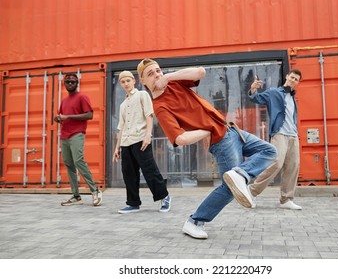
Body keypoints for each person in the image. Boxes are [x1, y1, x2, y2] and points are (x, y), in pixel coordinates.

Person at [137, 58, 278, 239]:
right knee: (229, 189)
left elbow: (201, 72)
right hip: (221, 140)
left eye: (158, 71)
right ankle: (194, 222)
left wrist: (169, 77)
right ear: (143, 81)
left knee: (270, 151)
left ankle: (241, 174)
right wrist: (207, 129)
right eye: (150, 74)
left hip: (232, 130)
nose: (157, 75)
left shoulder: (174, 83)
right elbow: (180, 138)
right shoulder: (160, 107)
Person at [113, 70, 171, 214]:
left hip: (140, 139)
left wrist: (148, 135)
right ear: (121, 84)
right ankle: (133, 203)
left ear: (134, 81)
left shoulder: (142, 95)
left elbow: (149, 116)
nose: (126, 83)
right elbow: (121, 127)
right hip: (126, 142)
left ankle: (164, 196)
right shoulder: (122, 105)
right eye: (123, 81)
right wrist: (117, 147)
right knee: (129, 173)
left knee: (149, 170)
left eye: (128, 80)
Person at [248, 69, 303, 210]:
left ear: (298, 83)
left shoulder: (293, 98)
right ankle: (252, 191)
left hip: (293, 136)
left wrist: (296, 133)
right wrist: (253, 89)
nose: (293, 80)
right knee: (276, 164)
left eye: (296, 79)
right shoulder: (274, 93)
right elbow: (256, 98)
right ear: (287, 77)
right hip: (279, 134)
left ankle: (286, 199)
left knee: (293, 166)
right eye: (292, 77)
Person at [55, 73, 103, 206]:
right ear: (64, 84)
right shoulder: (64, 101)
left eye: (72, 82)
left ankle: (95, 191)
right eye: (67, 82)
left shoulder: (82, 96)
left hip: (77, 134)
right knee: (69, 164)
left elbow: (89, 115)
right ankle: (76, 196)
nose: (70, 84)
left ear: (77, 83)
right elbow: (63, 116)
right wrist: (58, 119)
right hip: (64, 135)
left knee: (78, 161)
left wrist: (68, 117)